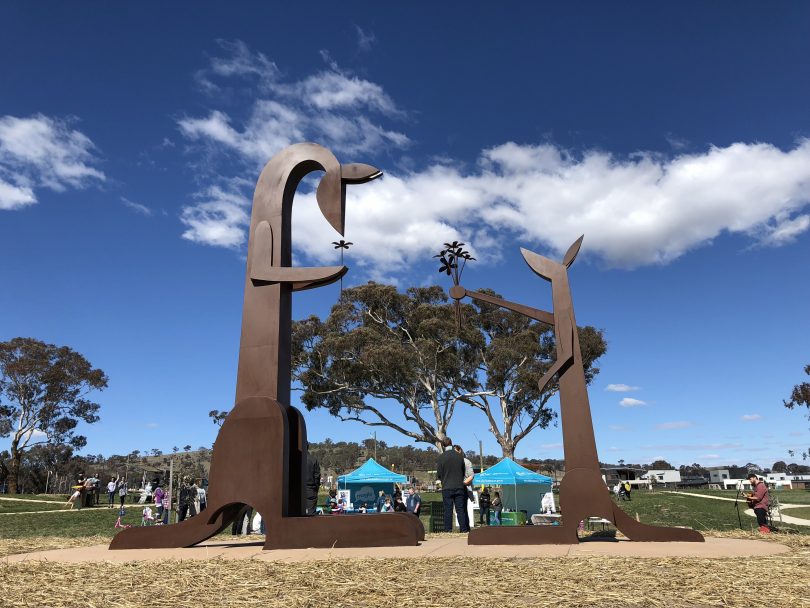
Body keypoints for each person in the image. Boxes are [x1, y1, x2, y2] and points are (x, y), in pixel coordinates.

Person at [436, 436, 470, 532]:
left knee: (448, 510)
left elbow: (439, 474)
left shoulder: (441, 458)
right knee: (460, 510)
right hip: (459, 486)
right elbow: (463, 472)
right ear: (452, 443)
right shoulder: (460, 456)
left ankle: (448, 530)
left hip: (447, 487)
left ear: (443, 445)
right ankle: (463, 530)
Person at [304, 448, 321, 516]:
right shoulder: (313, 459)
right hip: (310, 489)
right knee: (310, 515)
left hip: (297, 490)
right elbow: (317, 476)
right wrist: (315, 488)